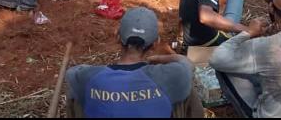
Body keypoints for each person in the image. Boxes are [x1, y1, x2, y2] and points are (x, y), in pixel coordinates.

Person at [66, 7, 203, 118]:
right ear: (156, 43)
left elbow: (72, 74)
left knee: (75, 93)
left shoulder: (88, 76)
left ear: (117, 36)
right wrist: (160, 59)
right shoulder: (168, 76)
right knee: (187, 90)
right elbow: (187, 65)